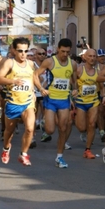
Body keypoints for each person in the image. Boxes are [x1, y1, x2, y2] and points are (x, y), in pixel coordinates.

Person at [34, 38, 78, 168]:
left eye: (67, 52)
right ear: (58, 49)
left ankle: (59, 157)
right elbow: (35, 75)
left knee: (63, 128)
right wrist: (41, 88)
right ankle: (45, 123)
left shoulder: (73, 64)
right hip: (51, 99)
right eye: (63, 51)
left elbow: (74, 80)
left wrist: (75, 89)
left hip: (64, 100)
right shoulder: (49, 62)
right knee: (50, 130)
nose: (65, 54)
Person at [0, 37, 36, 166]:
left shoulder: (30, 64)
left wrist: (34, 91)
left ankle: (23, 154)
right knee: (9, 131)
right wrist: (13, 81)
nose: (23, 54)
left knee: (30, 129)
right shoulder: (9, 63)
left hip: (28, 101)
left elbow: (32, 79)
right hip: (13, 101)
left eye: (25, 51)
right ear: (13, 50)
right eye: (20, 51)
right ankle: (6, 148)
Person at [75, 49, 105, 158]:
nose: (92, 58)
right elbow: (72, 82)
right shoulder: (79, 70)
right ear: (85, 57)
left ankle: (87, 150)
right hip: (80, 102)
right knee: (81, 127)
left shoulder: (98, 72)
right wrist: (73, 90)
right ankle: (83, 132)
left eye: (94, 56)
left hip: (93, 101)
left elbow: (102, 87)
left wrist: (103, 97)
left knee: (92, 124)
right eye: (90, 56)